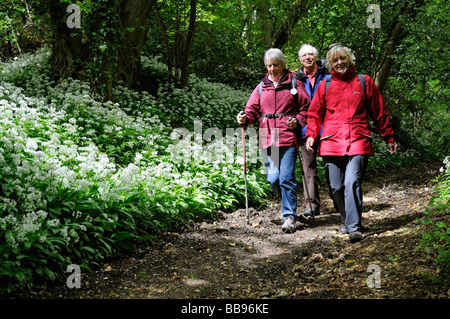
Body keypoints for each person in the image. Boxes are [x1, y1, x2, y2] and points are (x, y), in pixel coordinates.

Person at [305, 44, 398, 243]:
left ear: (350, 59)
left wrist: (388, 137)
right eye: (335, 60)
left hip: (358, 139)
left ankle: (354, 227)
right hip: (331, 141)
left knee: (352, 182)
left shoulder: (364, 82)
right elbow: (314, 113)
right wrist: (312, 134)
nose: (339, 63)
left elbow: (379, 111)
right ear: (330, 64)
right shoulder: (325, 85)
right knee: (336, 187)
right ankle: (346, 219)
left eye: (343, 59)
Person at [237, 48, 310, 233]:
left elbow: (306, 107)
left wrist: (298, 122)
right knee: (273, 179)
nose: (272, 69)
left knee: (286, 177)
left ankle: (289, 215)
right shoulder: (262, 86)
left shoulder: (294, 83)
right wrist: (245, 118)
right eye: (269, 66)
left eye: (275, 65)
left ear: (282, 65)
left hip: (287, 135)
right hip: (266, 137)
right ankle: (288, 201)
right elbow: (252, 109)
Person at [295, 44, 330, 218]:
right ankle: (311, 205)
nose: (308, 57)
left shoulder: (328, 76)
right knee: (308, 168)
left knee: (332, 166)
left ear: (316, 57)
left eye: (311, 54)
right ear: (300, 59)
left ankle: (338, 197)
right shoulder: (296, 79)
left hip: (328, 128)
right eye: (304, 55)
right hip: (305, 130)